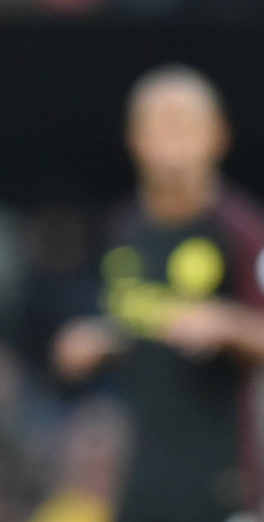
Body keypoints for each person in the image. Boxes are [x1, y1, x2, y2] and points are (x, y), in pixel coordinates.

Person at [52, 64, 264, 522]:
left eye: (185, 126)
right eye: (160, 126)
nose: (173, 143)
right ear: (135, 138)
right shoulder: (124, 231)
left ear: (218, 136)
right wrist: (92, 343)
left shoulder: (241, 231)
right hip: (140, 481)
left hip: (226, 483)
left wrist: (227, 324)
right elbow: (124, 324)